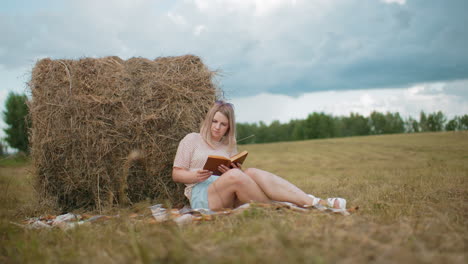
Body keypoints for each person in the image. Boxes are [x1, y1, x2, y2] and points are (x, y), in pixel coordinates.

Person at [172, 100, 346, 210]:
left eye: (223, 124)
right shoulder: (192, 139)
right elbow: (176, 174)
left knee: (251, 172)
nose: (217, 127)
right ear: (208, 120)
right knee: (235, 176)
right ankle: (288, 205)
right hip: (203, 195)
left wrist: (234, 171)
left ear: (229, 127)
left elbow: (240, 179)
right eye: (214, 121)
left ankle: (313, 201)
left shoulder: (229, 146)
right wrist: (195, 175)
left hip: (230, 192)